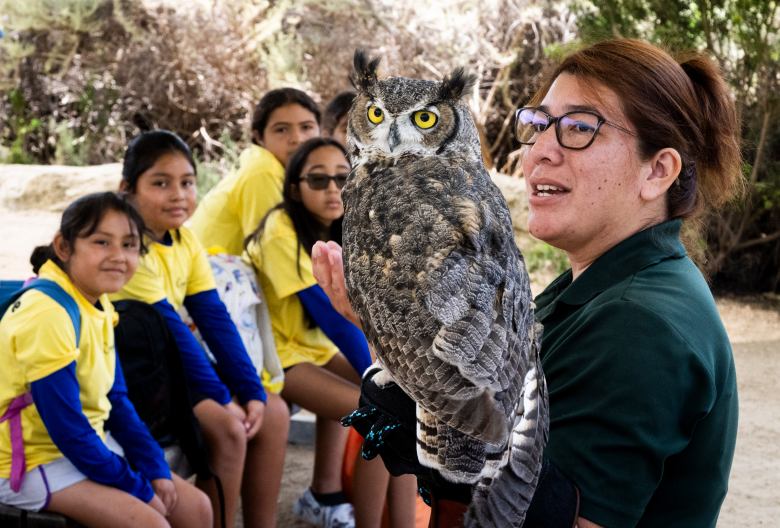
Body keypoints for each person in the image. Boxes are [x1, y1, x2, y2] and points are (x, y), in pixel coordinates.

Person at [312, 37, 741, 528]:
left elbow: (546, 513)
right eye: (538, 125)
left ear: (657, 171)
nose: (539, 152)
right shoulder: (600, 287)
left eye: (579, 128)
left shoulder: (639, 325)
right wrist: (394, 328)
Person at [0, 192, 212, 528]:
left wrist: (154, 465)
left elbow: (116, 399)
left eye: (129, 245)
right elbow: (68, 431)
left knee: (196, 508)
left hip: (85, 443)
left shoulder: (99, 303)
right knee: (151, 522)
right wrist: (139, 487)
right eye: (102, 242)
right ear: (64, 247)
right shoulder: (48, 314)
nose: (119, 257)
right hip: (30, 459)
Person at [112, 130, 290, 528]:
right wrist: (222, 395)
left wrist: (250, 389)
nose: (178, 194)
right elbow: (176, 335)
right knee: (228, 425)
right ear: (127, 189)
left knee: (265, 411)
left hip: (170, 365)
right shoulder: (128, 250)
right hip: (134, 375)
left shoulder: (184, 240)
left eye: (187, 183)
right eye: (161, 183)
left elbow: (213, 318)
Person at [244, 137, 417, 528]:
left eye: (343, 177)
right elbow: (333, 316)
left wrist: (394, 378)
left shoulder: (346, 225)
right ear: (294, 188)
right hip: (279, 359)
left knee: (403, 405)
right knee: (382, 417)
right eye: (318, 180)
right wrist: (381, 376)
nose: (334, 189)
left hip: (313, 351)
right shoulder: (279, 229)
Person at [189, 88, 321, 256]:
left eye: (306, 127)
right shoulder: (263, 171)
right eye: (281, 129)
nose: (297, 138)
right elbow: (275, 251)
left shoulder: (273, 167)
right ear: (259, 137)